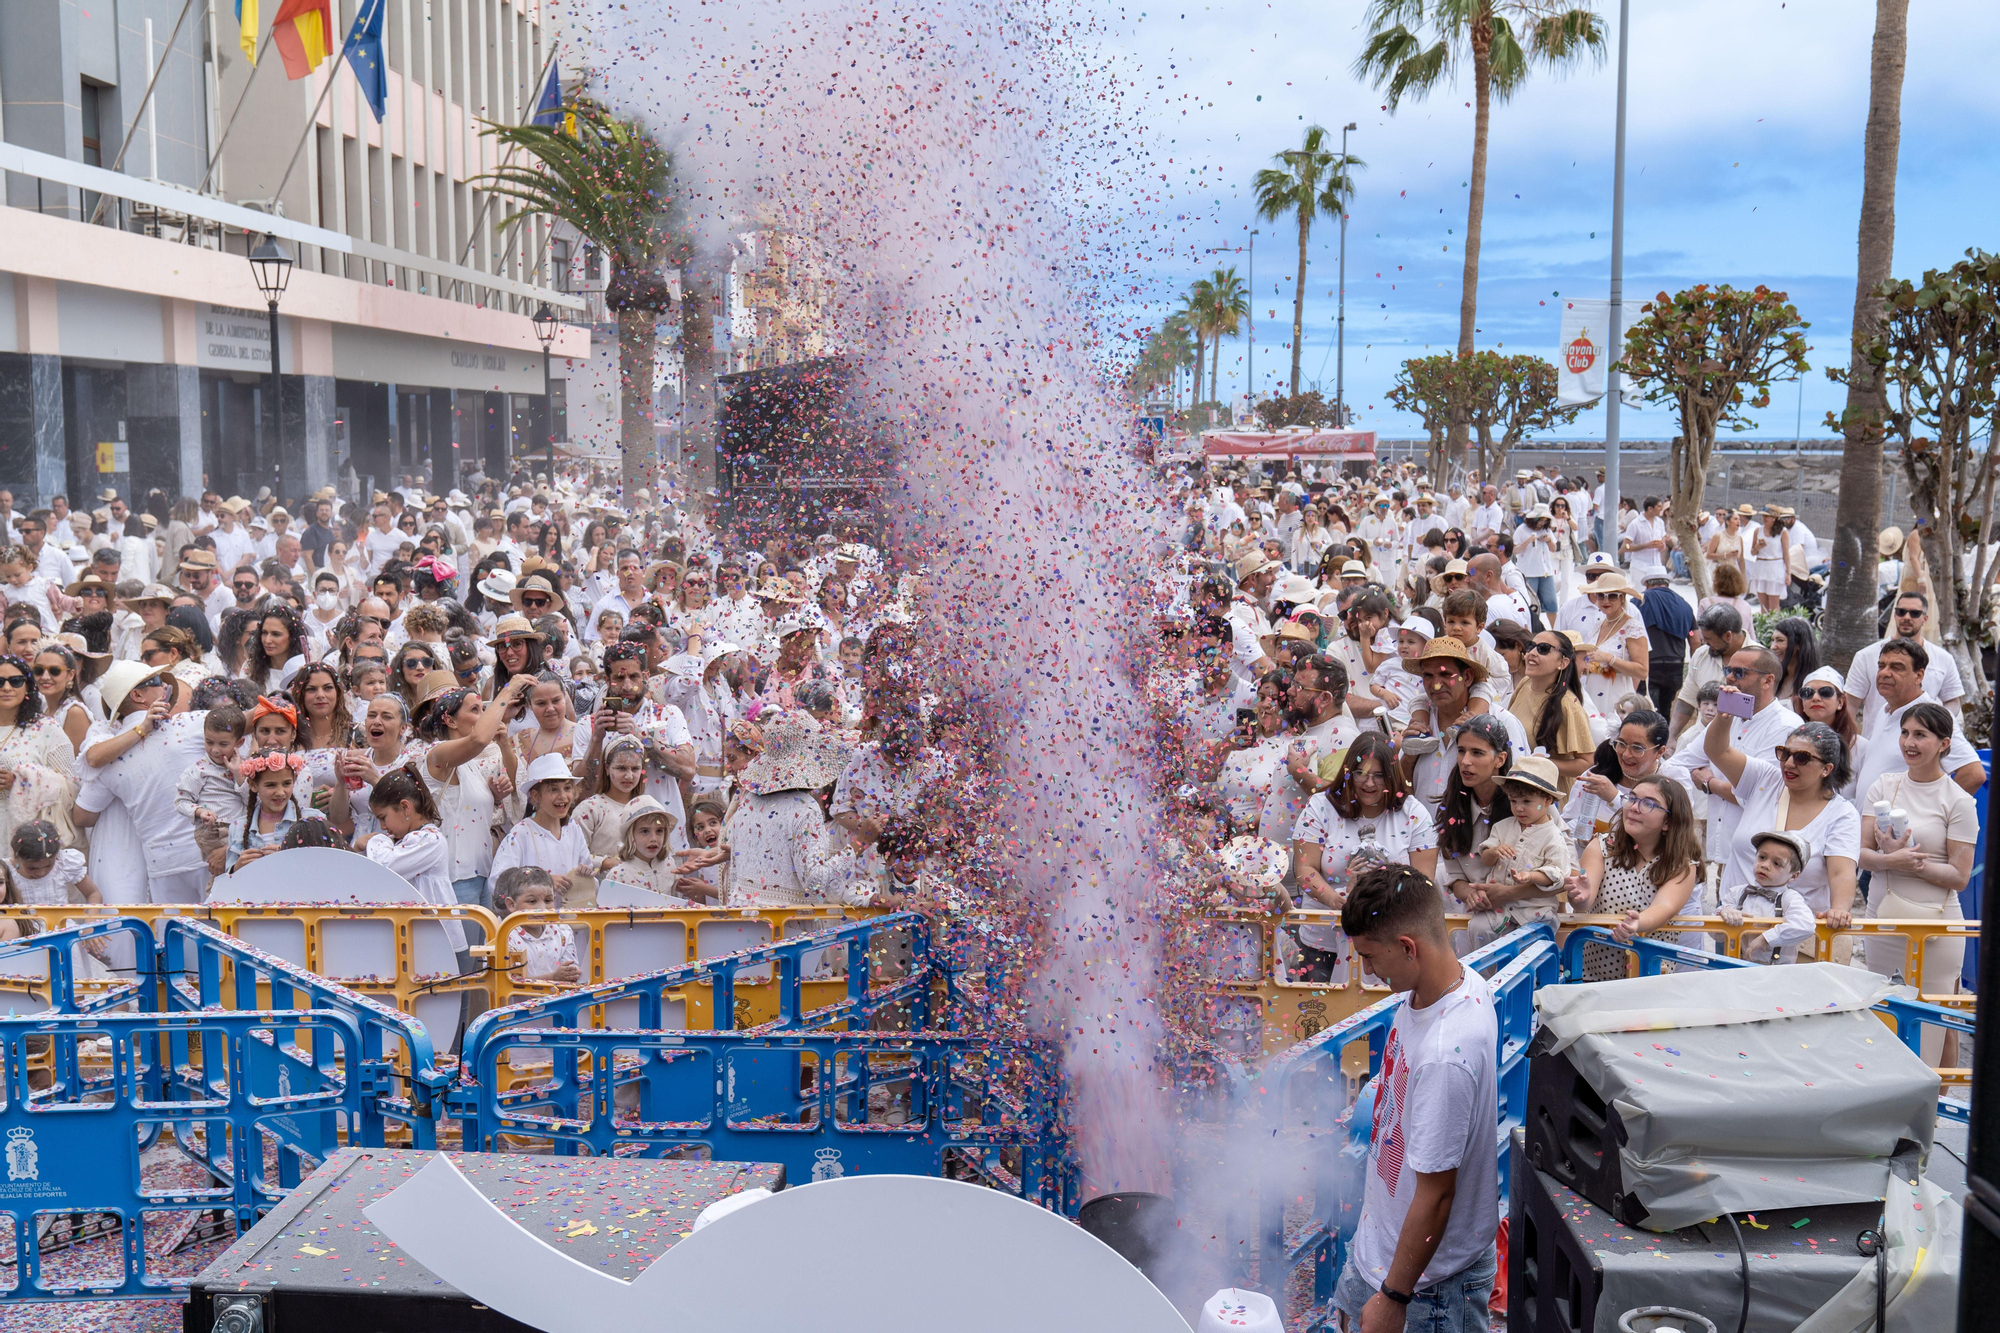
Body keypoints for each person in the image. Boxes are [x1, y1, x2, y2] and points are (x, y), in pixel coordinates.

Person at [1332, 863, 1498, 1333]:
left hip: (1427, 1287)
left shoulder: (1446, 1054)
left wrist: (1394, 1296)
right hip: (1381, 1251)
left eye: (1370, 956)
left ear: (1408, 947)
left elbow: (1438, 1194)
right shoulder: (1443, 986)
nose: (1367, 970)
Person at [1290, 733, 1437, 982]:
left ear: (1392, 776)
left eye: (1379, 775)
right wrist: (1340, 902)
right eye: (1360, 773)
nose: (1369, 783)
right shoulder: (1320, 806)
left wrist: (1385, 884)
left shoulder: (1413, 812)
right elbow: (1305, 871)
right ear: (1348, 772)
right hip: (1324, 940)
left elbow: (1424, 882)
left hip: (1388, 945)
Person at [1702, 702, 1859, 932]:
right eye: (1784, 753)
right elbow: (1718, 751)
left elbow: (1840, 872)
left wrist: (1839, 909)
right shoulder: (1764, 778)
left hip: (1791, 939)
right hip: (1734, 926)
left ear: (1826, 769)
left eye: (1802, 758)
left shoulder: (1842, 814)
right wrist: (1725, 715)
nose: (1789, 763)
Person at [1859, 701, 1977, 995]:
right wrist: (1891, 861)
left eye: (1920, 735)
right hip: (1881, 919)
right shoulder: (1883, 786)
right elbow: (1860, 854)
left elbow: (1960, 877)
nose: (1909, 743)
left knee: (1935, 1020)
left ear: (1944, 743)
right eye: (1904, 733)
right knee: (1882, 1014)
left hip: (1935, 926)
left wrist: (1912, 864)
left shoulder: (1959, 801)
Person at [1564, 776, 1702, 980]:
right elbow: (1585, 899)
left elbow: (1664, 907)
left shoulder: (1681, 865)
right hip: (1592, 976)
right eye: (1632, 798)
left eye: (1648, 804)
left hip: (1649, 979)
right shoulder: (1602, 846)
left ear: (1668, 822)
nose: (1635, 808)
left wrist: (1638, 923)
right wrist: (1580, 896)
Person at [1851, 638, 1985, 804]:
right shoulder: (1884, 711)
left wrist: (1932, 814)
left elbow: (1973, 773)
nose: (1884, 673)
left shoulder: (1933, 715)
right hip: (1870, 826)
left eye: (1896, 667)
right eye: (1881, 665)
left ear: (1919, 676)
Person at [1463, 755, 1572, 949]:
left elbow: (1558, 875)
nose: (1519, 808)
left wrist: (1532, 876)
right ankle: (1486, 978)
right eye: (1513, 801)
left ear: (1548, 800)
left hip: (1535, 910)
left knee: (1529, 947)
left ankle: (1528, 978)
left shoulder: (1553, 836)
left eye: (1527, 801)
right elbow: (1486, 858)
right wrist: (1495, 851)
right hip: (1498, 909)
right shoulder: (1502, 827)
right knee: (1479, 928)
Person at [1843, 591, 1967, 733]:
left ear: (1925, 618)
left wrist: (1936, 724)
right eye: (1901, 612)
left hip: (1923, 747)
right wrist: (1849, 744)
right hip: (1876, 744)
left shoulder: (1943, 658)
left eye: (1914, 613)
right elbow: (1851, 704)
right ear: (1894, 615)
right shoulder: (1865, 656)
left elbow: (1952, 700)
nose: (1907, 617)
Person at [1505, 631, 1594, 791]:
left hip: (1548, 796)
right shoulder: (1525, 684)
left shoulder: (1568, 704)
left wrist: (1542, 763)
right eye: (1531, 646)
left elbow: (1587, 762)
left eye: (1543, 649)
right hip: (1516, 788)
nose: (1532, 653)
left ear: (1563, 662)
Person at [1718, 829, 1817, 965]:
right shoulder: (1736, 893)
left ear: (1794, 876)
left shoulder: (1790, 899)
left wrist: (1767, 938)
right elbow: (1717, 935)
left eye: (1776, 863)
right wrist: (1723, 914)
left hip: (1776, 975)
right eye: (1762, 857)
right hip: (1736, 970)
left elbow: (1805, 925)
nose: (1765, 865)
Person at [1575, 573, 1648, 722]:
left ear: (1622, 597)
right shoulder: (1599, 624)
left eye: (1612, 596)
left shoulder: (1632, 627)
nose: (1605, 600)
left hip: (1616, 695)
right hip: (1592, 691)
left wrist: (1609, 658)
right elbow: (1597, 664)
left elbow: (1642, 671)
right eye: (1601, 595)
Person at [222, 750, 311, 872]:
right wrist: (236, 868)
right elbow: (228, 882)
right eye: (271, 785)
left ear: (294, 780)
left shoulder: (312, 820)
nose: (280, 792)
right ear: (253, 785)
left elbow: (325, 866)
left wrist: (288, 857)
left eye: (286, 783)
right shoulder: (238, 827)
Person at [494, 866, 580, 983]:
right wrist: (552, 977)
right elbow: (506, 981)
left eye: (548, 900)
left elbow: (571, 973)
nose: (541, 908)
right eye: (532, 901)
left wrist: (571, 974)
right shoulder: (504, 936)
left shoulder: (563, 931)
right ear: (511, 904)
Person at [1637, 570, 1693, 714]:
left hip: (1649, 666)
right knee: (1665, 711)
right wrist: (1695, 670)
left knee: (1648, 712)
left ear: (1647, 584)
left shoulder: (1639, 600)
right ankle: (1665, 735)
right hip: (1675, 666)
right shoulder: (1684, 604)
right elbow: (1695, 637)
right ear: (1667, 584)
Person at [1745, 506, 1790, 611]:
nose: (1764, 519)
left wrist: (1788, 573)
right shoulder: (1758, 531)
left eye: (1767, 516)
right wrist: (1758, 547)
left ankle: (1774, 625)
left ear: (1774, 518)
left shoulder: (1783, 532)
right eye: (1763, 516)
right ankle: (1764, 625)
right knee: (1763, 605)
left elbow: (1786, 554)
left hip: (1775, 567)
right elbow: (1752, 552)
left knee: (1774, 605)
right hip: (1761, 567)